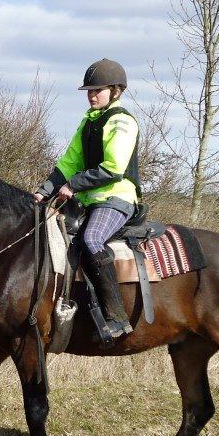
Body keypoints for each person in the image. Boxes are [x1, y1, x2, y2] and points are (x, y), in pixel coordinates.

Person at [34, 58, 141, 339]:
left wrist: (74, 184)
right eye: (89, 91)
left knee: (92, 239)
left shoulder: (121, 121)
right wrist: (44, 190)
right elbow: (70, 162)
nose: (92, 95)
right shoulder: (88, 122)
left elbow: (113, 168)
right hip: (90, 200)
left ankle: (117, 318)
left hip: (117, 198)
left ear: (116, 91)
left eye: (98, 90)